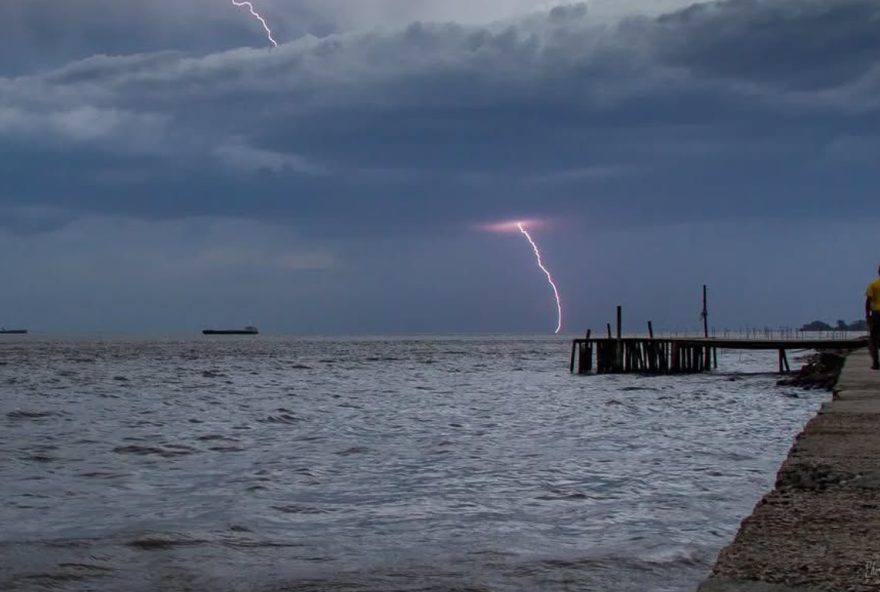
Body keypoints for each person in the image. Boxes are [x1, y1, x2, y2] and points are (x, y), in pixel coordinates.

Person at [866, 265, 880, 369]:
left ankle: (876, 362)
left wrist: (867, 315)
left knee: (873, 339)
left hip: (877, 313)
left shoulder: (873, 284)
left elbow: (868, 301)